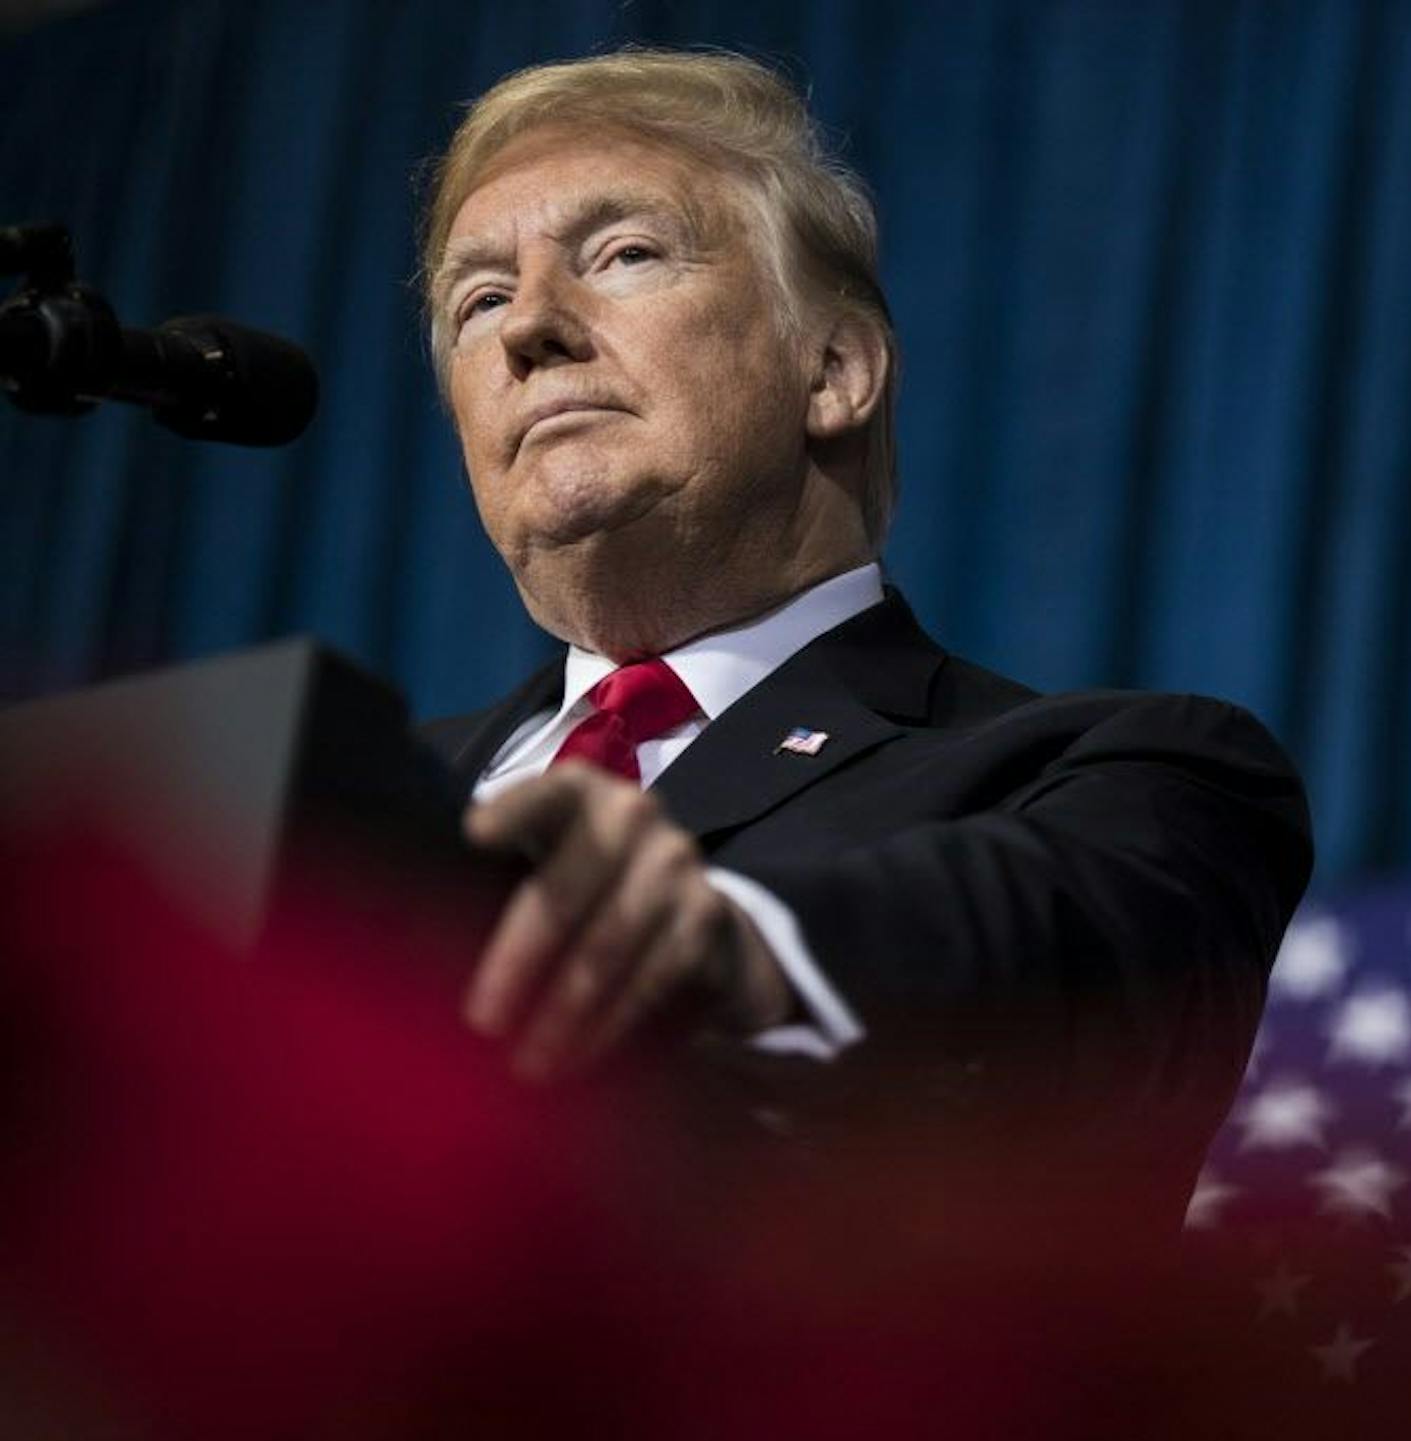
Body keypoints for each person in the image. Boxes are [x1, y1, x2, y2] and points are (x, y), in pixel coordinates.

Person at [415, 48, 1310, 1234]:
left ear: (833, 370)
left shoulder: (1120, 773)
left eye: (624, 254)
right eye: (479, 301)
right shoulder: (354, 804)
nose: (529, 325)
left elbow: (1067, 967)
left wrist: (733, 945)